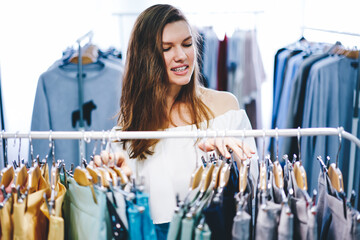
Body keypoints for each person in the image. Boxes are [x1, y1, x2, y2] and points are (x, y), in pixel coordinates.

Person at [112, 4, 259, 239]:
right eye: (167, 48)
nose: (181, 55)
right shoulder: (129, 132)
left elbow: (255, 186)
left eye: (187, 44)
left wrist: (231, 158)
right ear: (146, 58)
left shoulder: (225, 108)